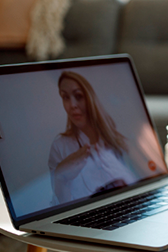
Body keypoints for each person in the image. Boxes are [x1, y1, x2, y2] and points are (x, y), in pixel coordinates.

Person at [48, 71, 138, 205]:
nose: (72, 105)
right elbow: (60, 206)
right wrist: (61, 178)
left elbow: (137, 186)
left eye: (78, 96)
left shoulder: (116, 141)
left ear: (91, 98)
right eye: (65, 97)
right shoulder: (60, 146)